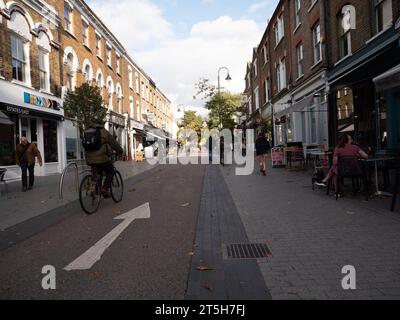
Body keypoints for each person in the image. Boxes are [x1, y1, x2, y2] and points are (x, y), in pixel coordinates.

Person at [83, 121, 124, 198]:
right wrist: (120, 151)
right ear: (101, 124)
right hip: (101, 159)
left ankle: (95, 190)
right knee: (111, 172)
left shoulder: (86, 131)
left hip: (89, 159)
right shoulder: (104, 132)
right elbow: (114, 143)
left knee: (97, 174)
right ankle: (104, 188)